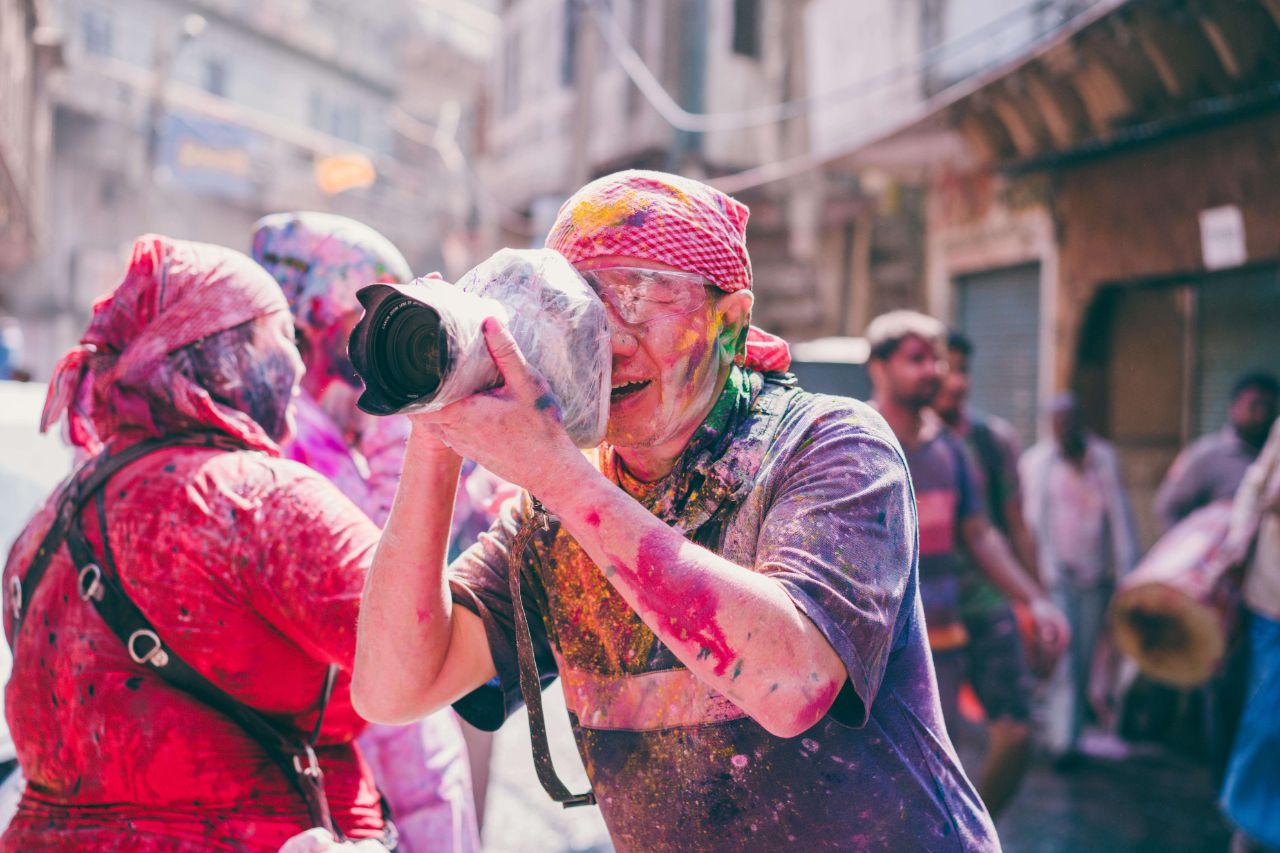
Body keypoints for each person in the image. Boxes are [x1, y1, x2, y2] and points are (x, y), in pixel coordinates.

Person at [353, 170, 1001, 850]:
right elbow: (392, 688)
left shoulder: (830, 445)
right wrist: (439, 422)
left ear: (732, 317)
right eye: (578, 311)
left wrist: (560, 477)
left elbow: (793, 681)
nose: (610, 341)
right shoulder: (555, 514)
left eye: (640, 301)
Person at [1, 236, 388, 850]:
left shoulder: (45, 524)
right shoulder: (262, 501)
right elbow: (422, 642)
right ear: (226, 355)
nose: (294, 364)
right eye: (280, 336)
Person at [251, 212, 486, 853]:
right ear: (310, 326)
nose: (370, 357)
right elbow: (378, 572)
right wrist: (409, 440)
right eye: (357, 331)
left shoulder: (294, 423)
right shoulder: (297, 433)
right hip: (363, 748)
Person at [865, 311, 1067, 743]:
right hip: (871, 644)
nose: (933, 371)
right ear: (878, 367)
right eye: (916, 358)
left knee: (939, 764)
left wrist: (1036, 601)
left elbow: (979, 535)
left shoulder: (950, 450)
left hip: (940, 637)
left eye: (937, 359)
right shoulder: (854, 440)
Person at [931, 330, 1039, 817]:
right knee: (935, 736)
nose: (955, 381)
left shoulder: (993, 442)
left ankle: (975, 831)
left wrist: (1036, 600)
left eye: (963, 369)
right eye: (944, 367)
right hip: (927, 608)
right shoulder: (899, 437)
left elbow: (1012, 526)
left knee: (1015, 729)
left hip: (986, 601)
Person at [1021, 393, 1139, 763]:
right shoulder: (1036, 462)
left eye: (1069, 421)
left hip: (1095, 574)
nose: (1064, 429)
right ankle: (1062, 744)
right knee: (1066, 655)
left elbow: (1120, 517)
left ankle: (1071, 733)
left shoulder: (1103, 458)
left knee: (1086, 654)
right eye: (1057, 422)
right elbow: (1030, 523)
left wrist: (1127, 571)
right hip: (1056, 577)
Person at [1217, 417, 1280, 852]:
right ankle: (1252, 825)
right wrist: (1237, 545)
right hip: (1272, 602)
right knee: (1265, 720)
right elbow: (1256, 489)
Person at [1156, 372, 1279, 532]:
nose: (1262, 415)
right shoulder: (1206, 455)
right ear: (1233, 407)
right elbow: (1168, 509)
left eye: (1269, 408)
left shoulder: (1275, 457)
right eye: (1254, 406)